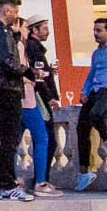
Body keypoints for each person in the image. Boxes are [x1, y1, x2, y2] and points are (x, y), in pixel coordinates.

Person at [0, 0, 35, 202]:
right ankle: (7, 184)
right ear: (6, 10)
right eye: (16, 11)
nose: (16, 16)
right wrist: (28, 72)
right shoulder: (0, 31)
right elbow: (8, 61)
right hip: (6, 89)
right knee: (10, 139)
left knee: (7, 139)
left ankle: (1, 185)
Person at [75, 17, 107, 192]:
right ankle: (84, 171)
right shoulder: (96, 53)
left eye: (99, 30)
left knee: (96, 115)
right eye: (95, 30)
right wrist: (84, 91)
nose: (95, 34)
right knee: (81, 127)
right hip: (96, 90)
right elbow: (91, 73)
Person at [21, 18, 61, 197]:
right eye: (44, 28)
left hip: (32, 97)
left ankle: (39, 179)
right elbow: (37, 77)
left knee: (17, 139)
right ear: (33, 30)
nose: (48, 31)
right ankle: (41, 180)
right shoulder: (30, 47)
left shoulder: (29, 46)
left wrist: (48, 72)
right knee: (46, 138)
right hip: (34, 99)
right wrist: (50, 97)